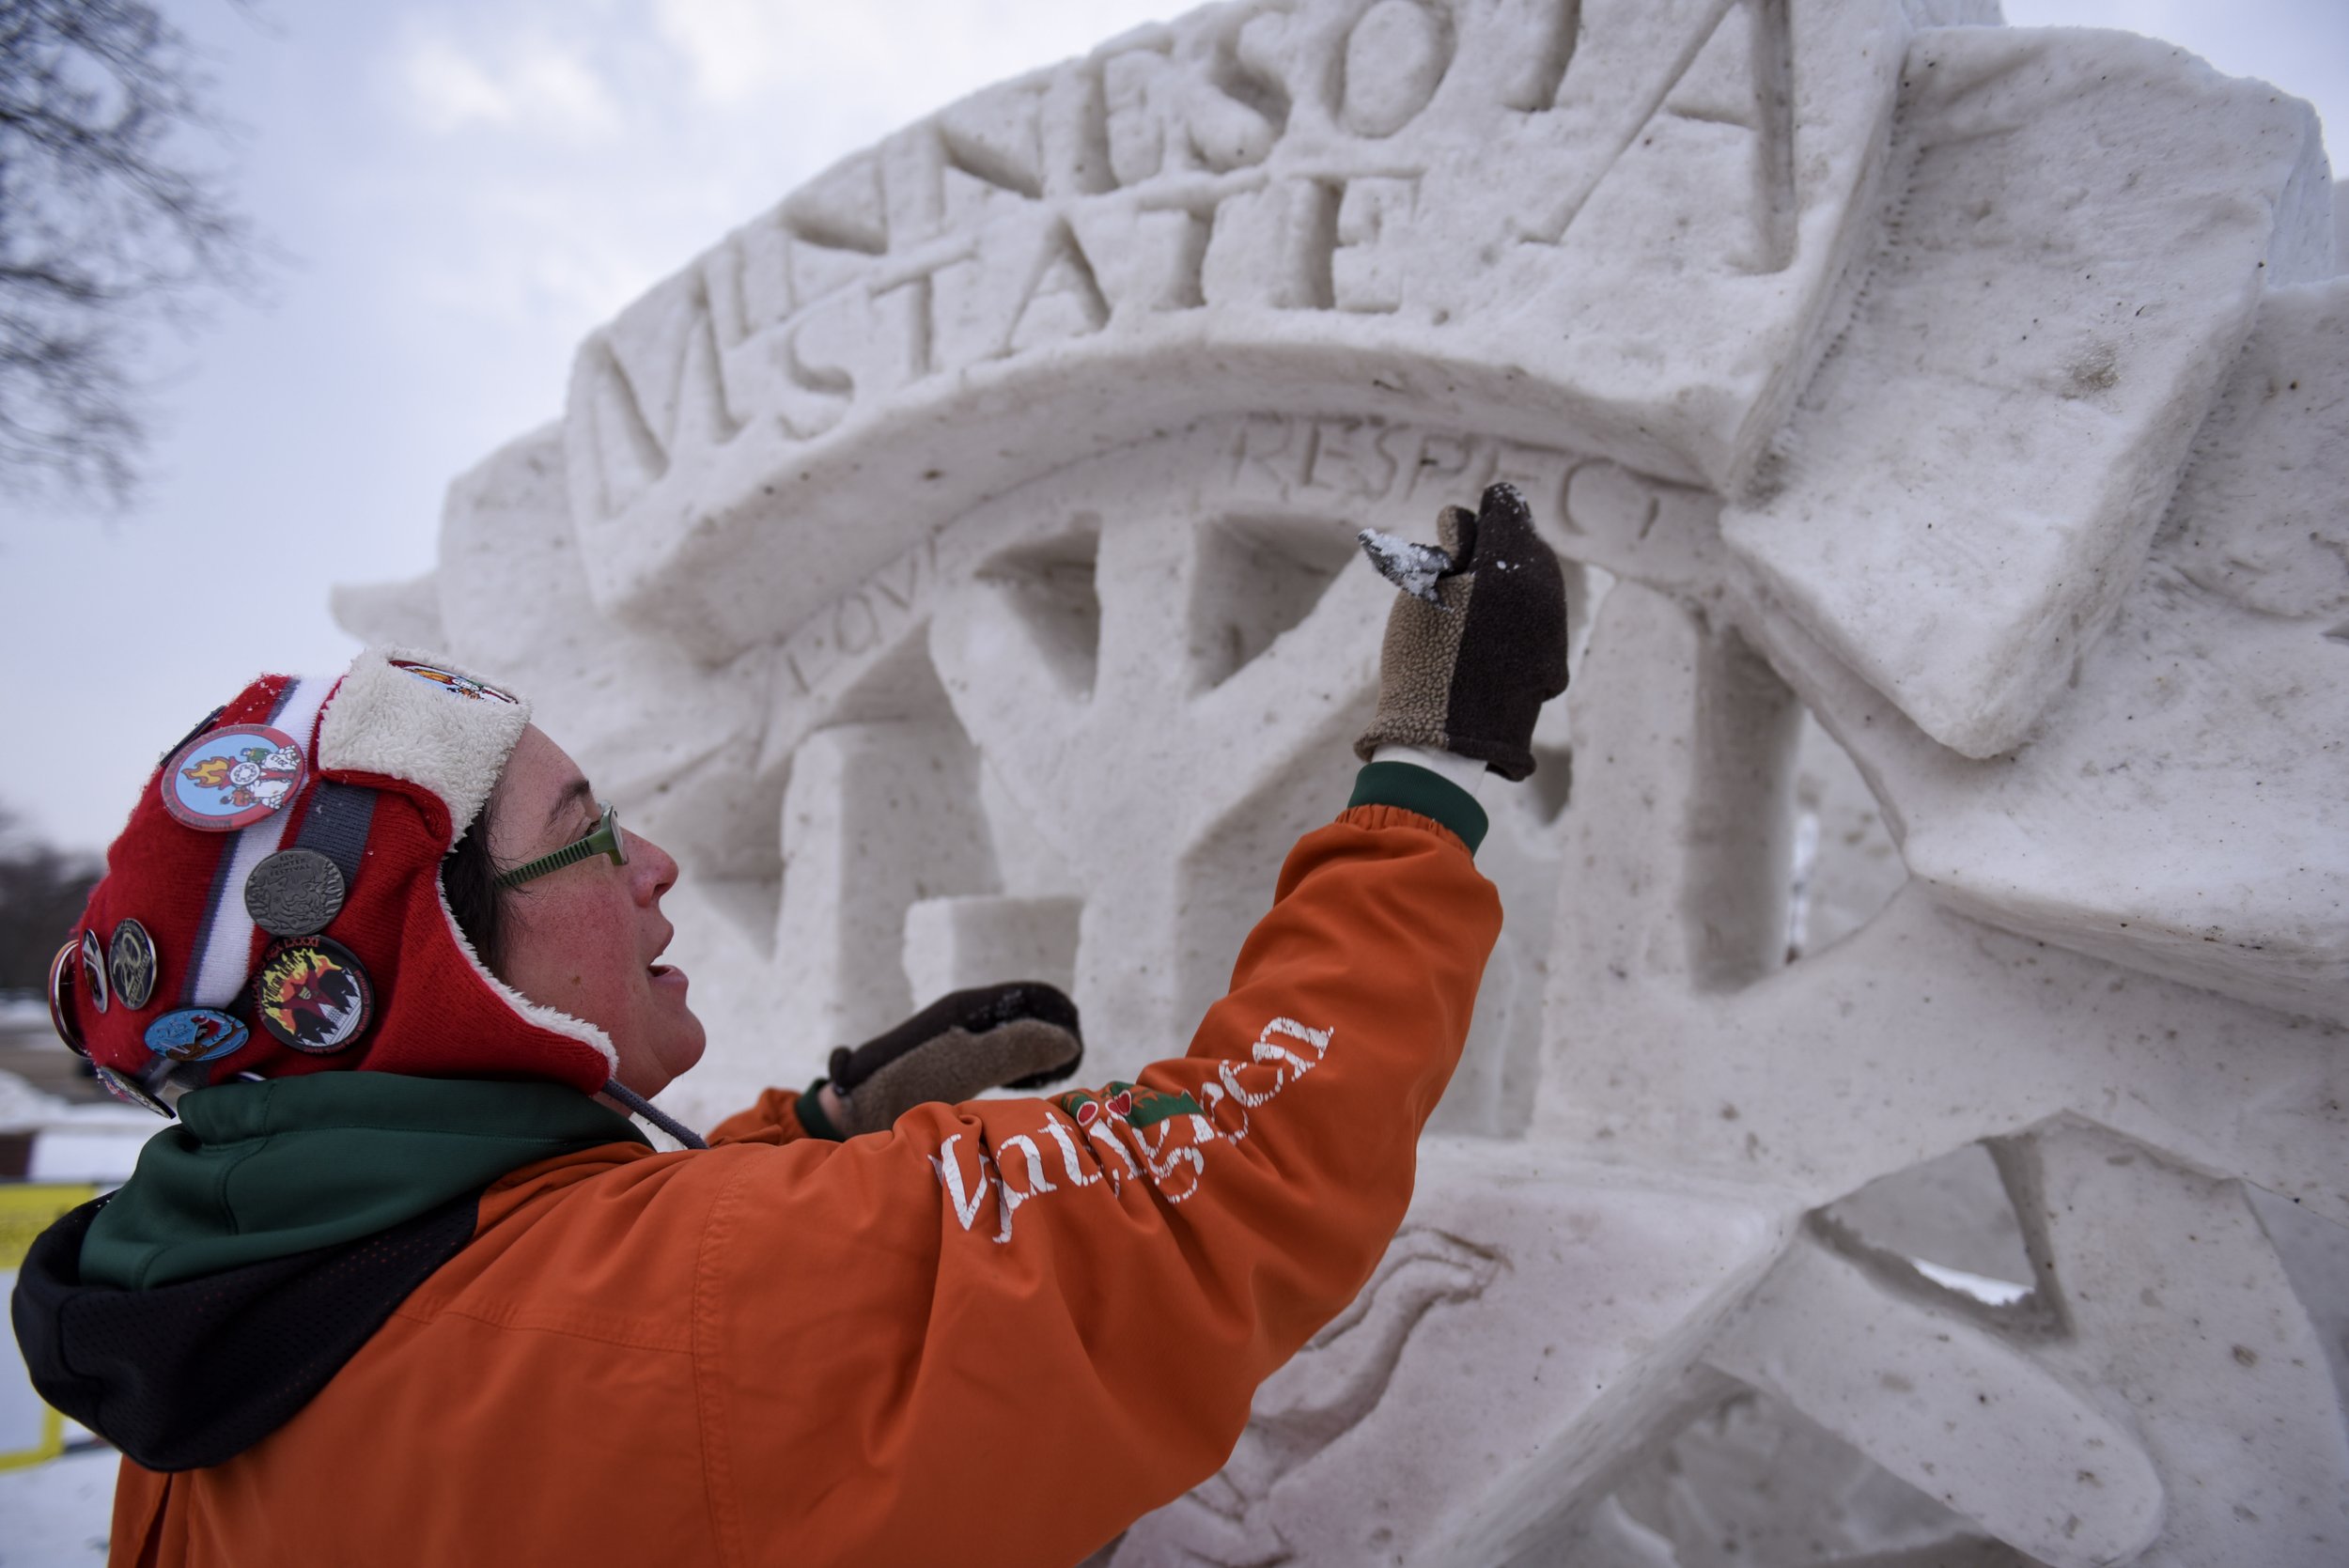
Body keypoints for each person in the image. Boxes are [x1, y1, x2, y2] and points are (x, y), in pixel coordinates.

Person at [13, 484, 1566, 1567]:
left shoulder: (195, 1346)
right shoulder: (689, 1315)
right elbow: (1221, 1174)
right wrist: (1434, 772)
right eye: (585, 831)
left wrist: (822, 1128)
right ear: (440, 965)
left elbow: (540, 1303)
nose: (655, 865)